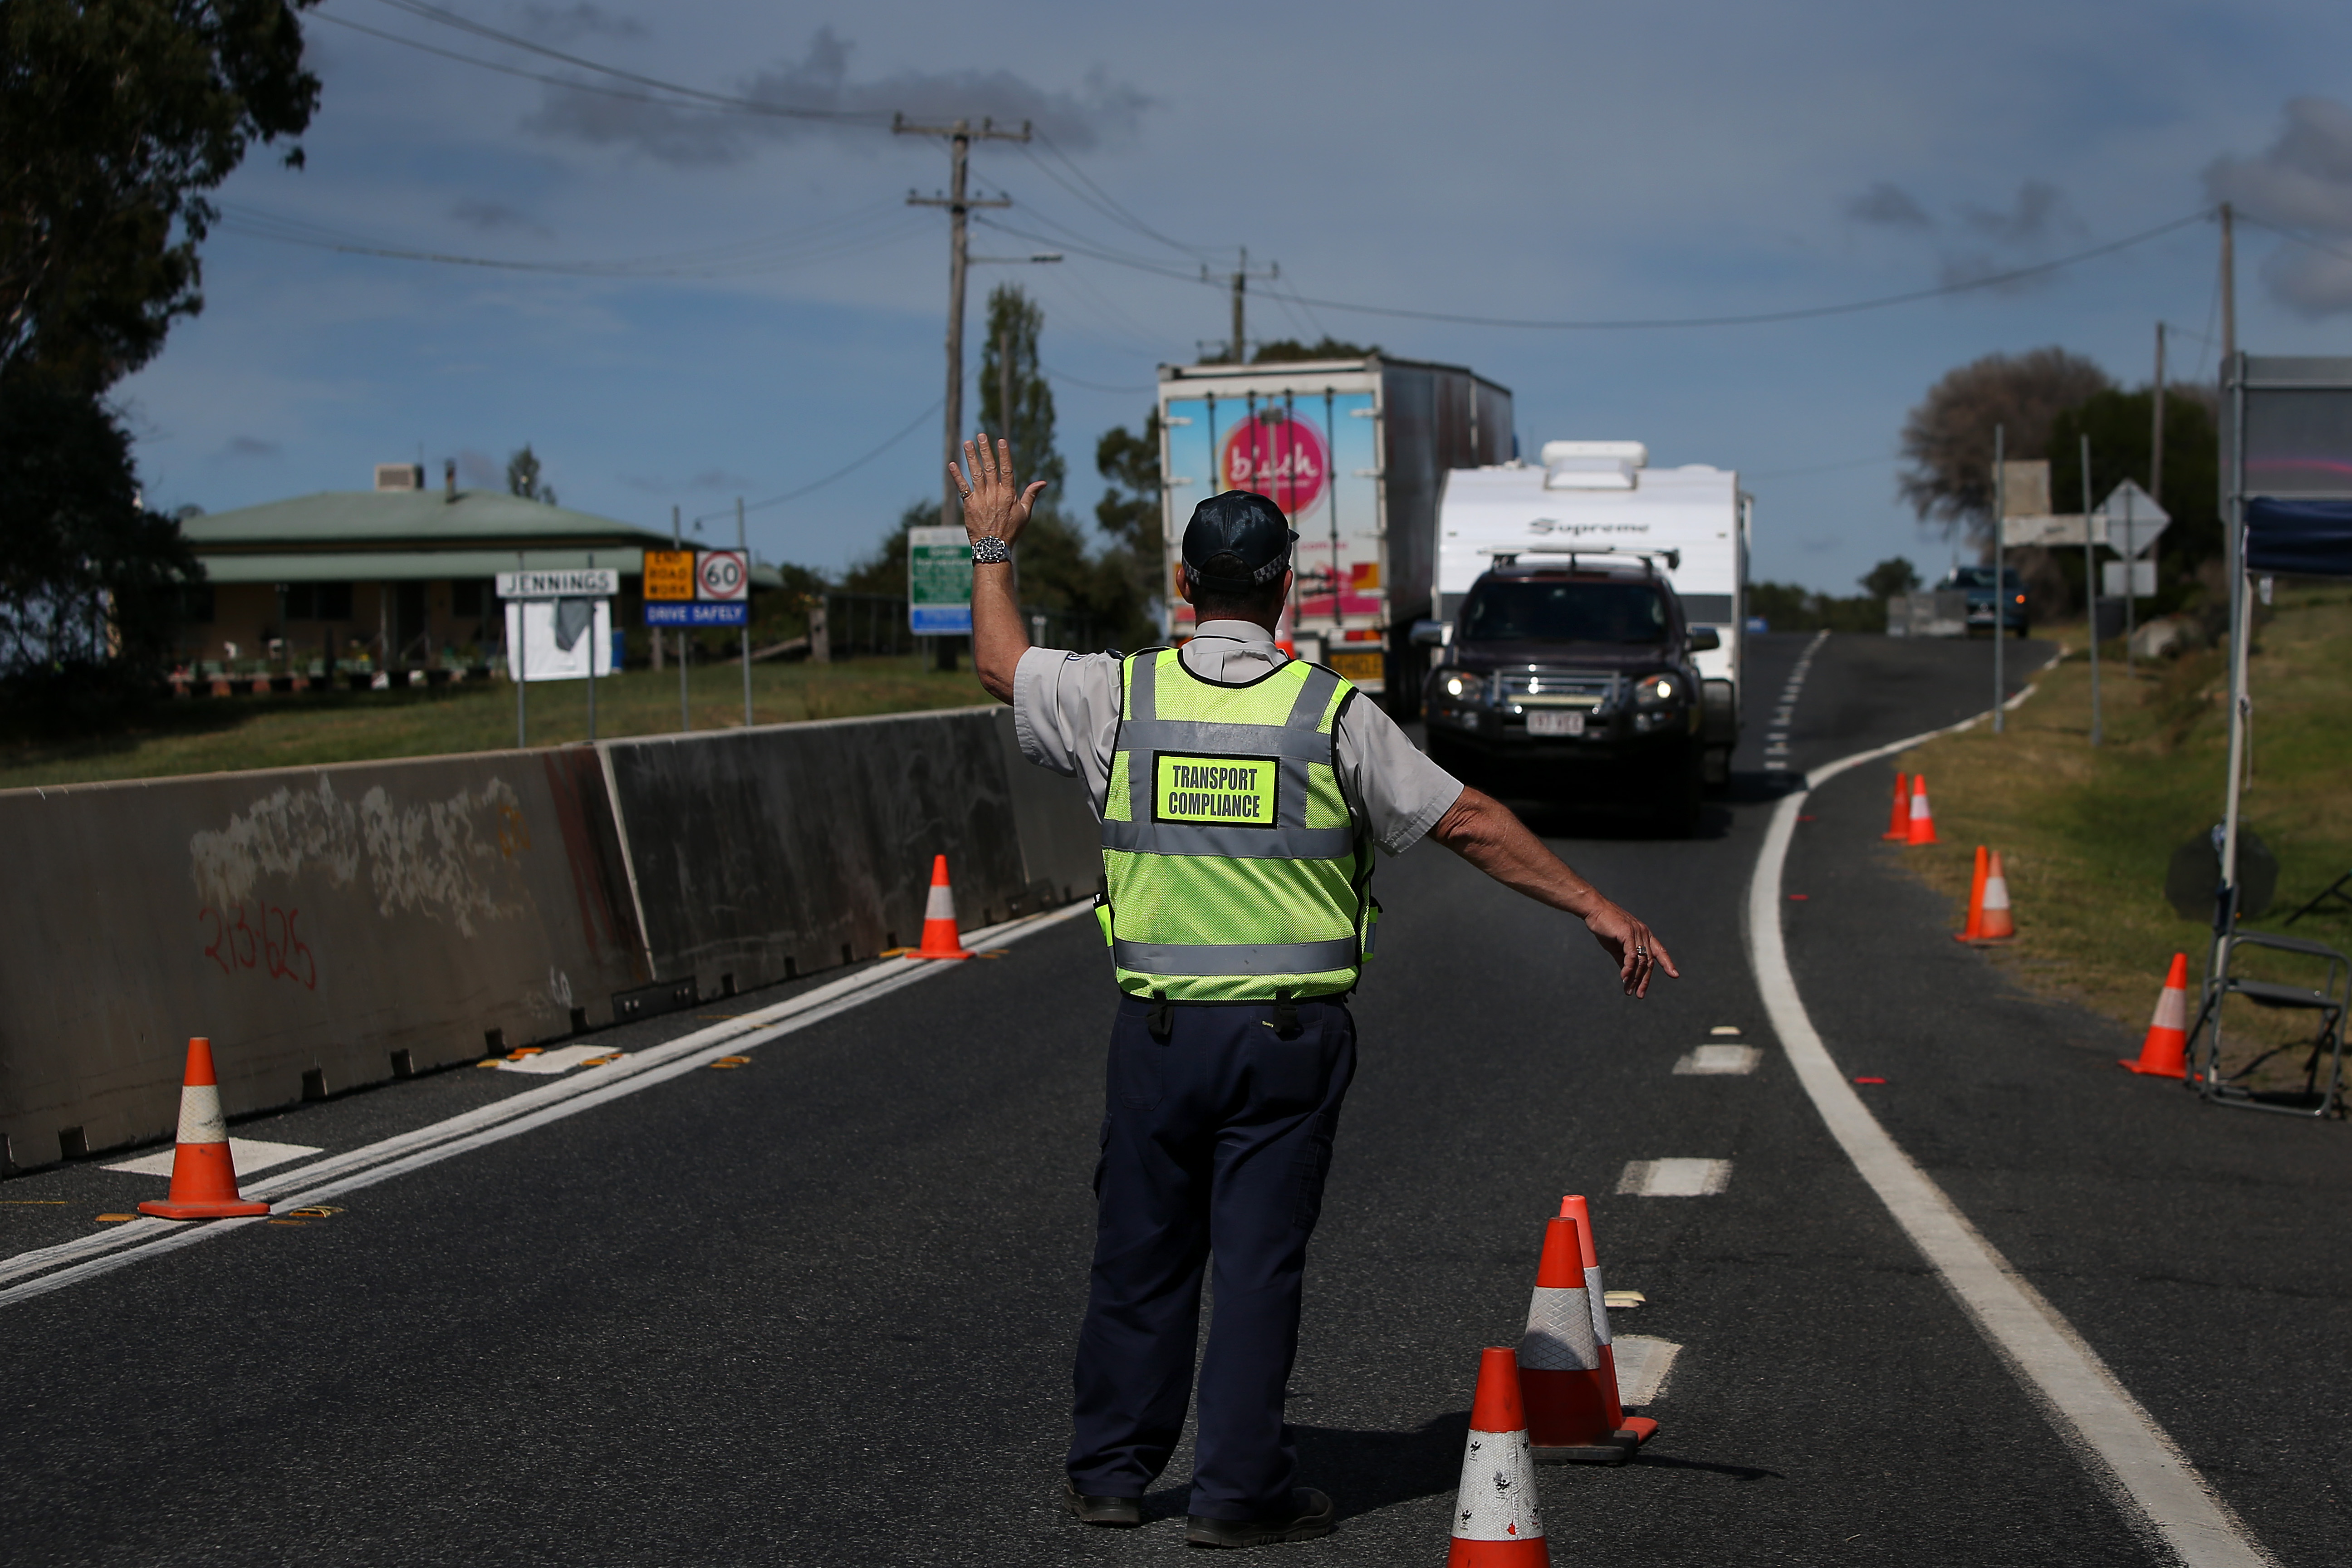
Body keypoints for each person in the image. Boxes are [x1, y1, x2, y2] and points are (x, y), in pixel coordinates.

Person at [951, 434, 1678, 1548]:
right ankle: (1239, 1495)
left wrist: (993, 543)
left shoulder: (1117, 697)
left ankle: (1109, 1474)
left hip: (1154, 1039)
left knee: (1140, 1255)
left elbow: (1003, 663)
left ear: (1186, 586)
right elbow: (1468, 820)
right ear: (1287, 585)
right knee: (1254, 1268)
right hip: (1286, 1043)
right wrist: (1590, 903)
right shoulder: (1333, 716)